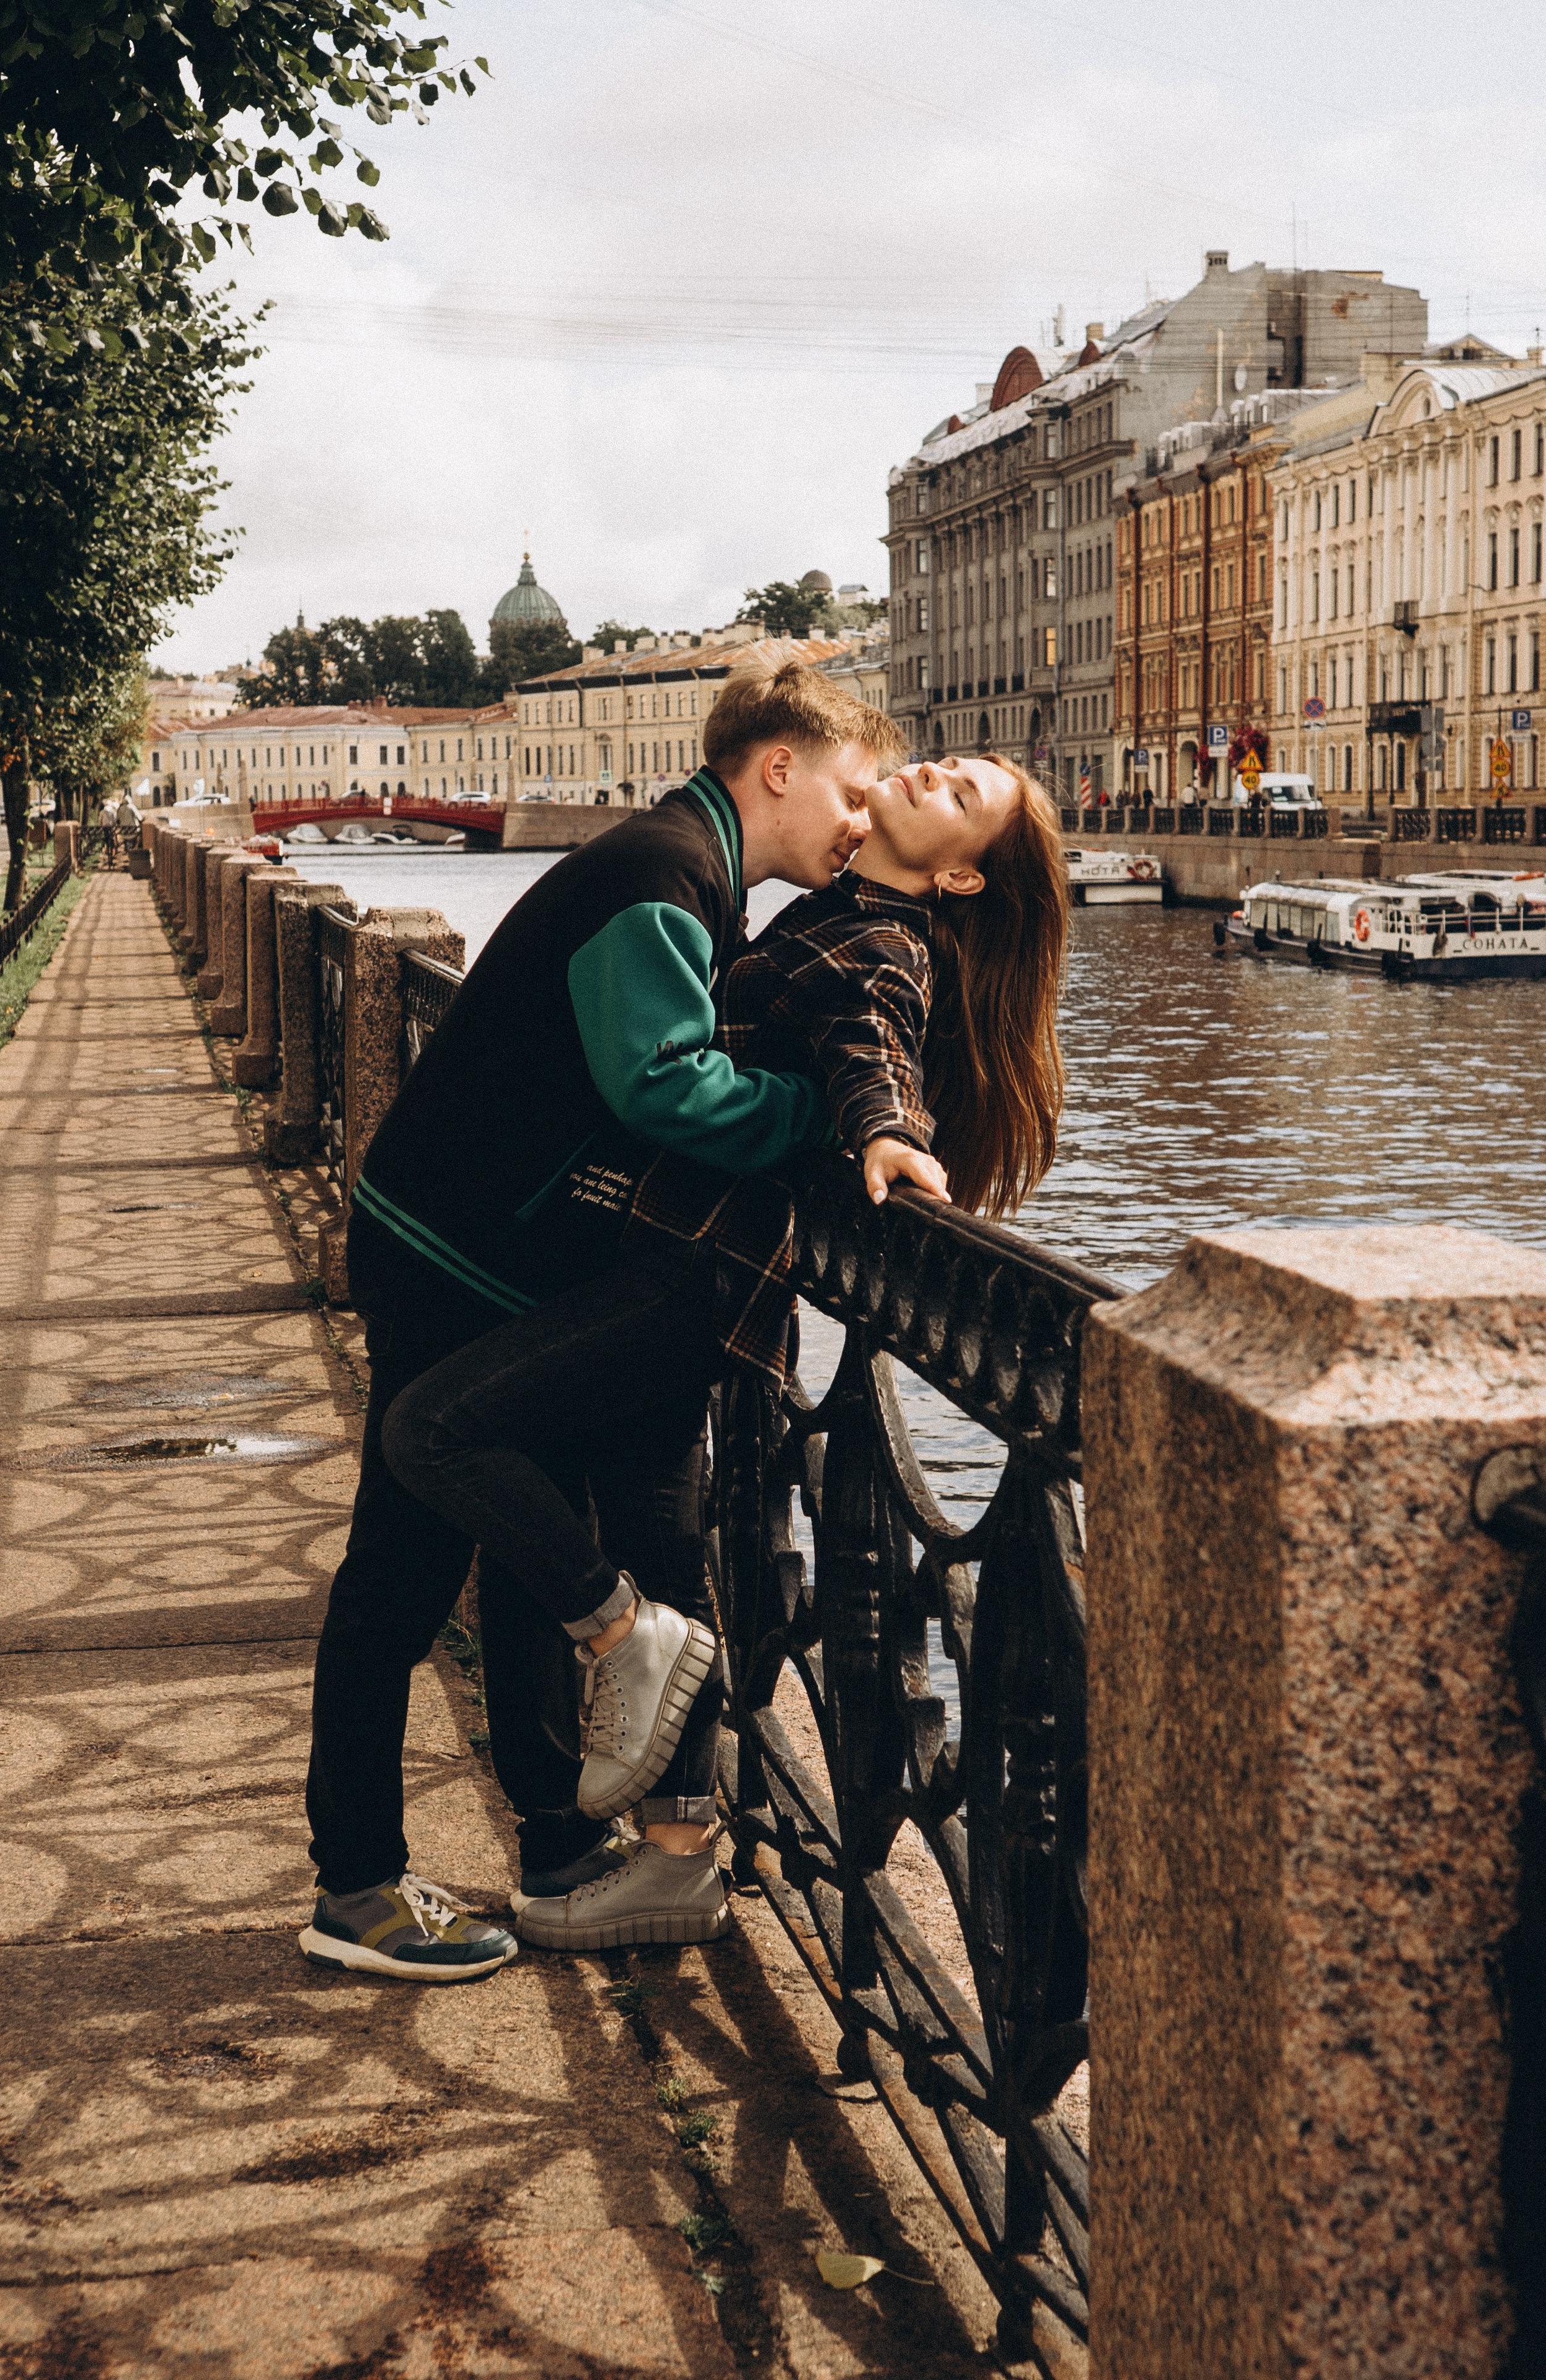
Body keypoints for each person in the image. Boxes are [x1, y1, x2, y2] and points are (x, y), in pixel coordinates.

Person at [379, 749, 1070, 1955]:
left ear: (961, 878)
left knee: (440, 1431)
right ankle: (672, 1860)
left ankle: (619, 1646)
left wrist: (889, 1133)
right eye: (946, 762)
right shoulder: (833, 904)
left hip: (686, 1277)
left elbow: (870, 1047)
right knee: (659, 1539)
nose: (932, 774)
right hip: (665, 1264)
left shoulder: (884, 945)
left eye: (963, 797)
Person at [298, 663, 901, 1984]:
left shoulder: (688, 871)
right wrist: (820, 1124)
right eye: (852, 793)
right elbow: (664, 1087)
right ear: (779, 768)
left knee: (522, 1559)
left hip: (495, 1255)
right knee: (397, 1575)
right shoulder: (659, 873)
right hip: (447, 1251)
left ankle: (559, 1851)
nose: (861, 821)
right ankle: (353, 1885)